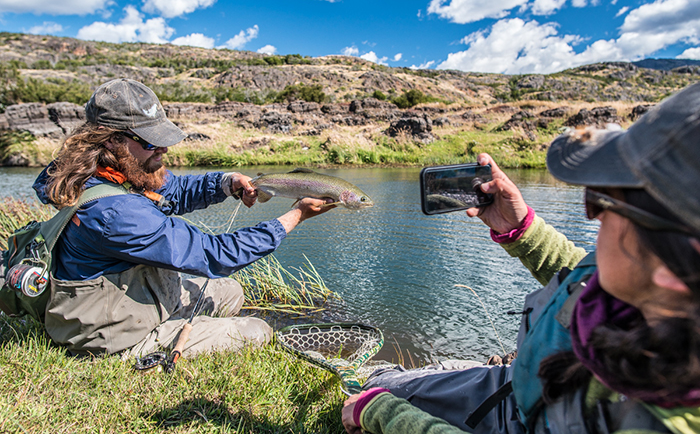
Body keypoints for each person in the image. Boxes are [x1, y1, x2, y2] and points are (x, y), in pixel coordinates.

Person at [342, 82, 700, 434]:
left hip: (523, 417)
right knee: (400, 375)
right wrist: (522, 228)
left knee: (377, 388)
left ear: (671, 267)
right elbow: (588, 273)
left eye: (601, 203)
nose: (593, 217)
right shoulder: (667, 298)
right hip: (523, 388)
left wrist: (383, 414)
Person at [32, 78, 335, 358]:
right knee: (256, 331)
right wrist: (297, 215)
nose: (163, 148)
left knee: (233, 291)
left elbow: (174, 189)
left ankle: (177, 318)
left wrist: (227, 182)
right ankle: (144, 342)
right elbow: (215, 255)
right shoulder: (113, 213)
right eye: (150, 141)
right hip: (110, 331)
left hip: (136, 299)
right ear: (111, 140)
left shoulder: (115, 170)